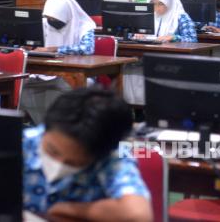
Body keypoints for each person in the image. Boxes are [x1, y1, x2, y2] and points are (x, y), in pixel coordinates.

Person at [23, 88, 152, 222]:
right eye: (51, 151)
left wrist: (66, 209)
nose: (58, 164)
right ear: (45, 128)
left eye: (72, 163)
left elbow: (138, 214)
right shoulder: (21, 142)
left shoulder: (113, 157)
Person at [20, 0, 96, 124]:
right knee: (23, 88)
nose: (51, 21)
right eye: (48, 18)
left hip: (75, 74)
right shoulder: (44, 23)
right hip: (46, 72)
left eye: (55, 19)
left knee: (59, 90)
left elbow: (87, 48)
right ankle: (43, 126)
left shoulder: (84, 26)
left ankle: (62, 129)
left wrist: (54, 49)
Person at [124, 0, 197, 106]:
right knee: (130, 67)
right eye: (153, 3)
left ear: (169, 3)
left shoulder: (181, 17)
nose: (156, 8)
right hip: (146, 56)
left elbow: (192, 39)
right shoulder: (146, 16)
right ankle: (136, 106)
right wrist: (137, 35)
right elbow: (133, 33)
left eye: (161, 4)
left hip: (171, 59)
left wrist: (174, 37)